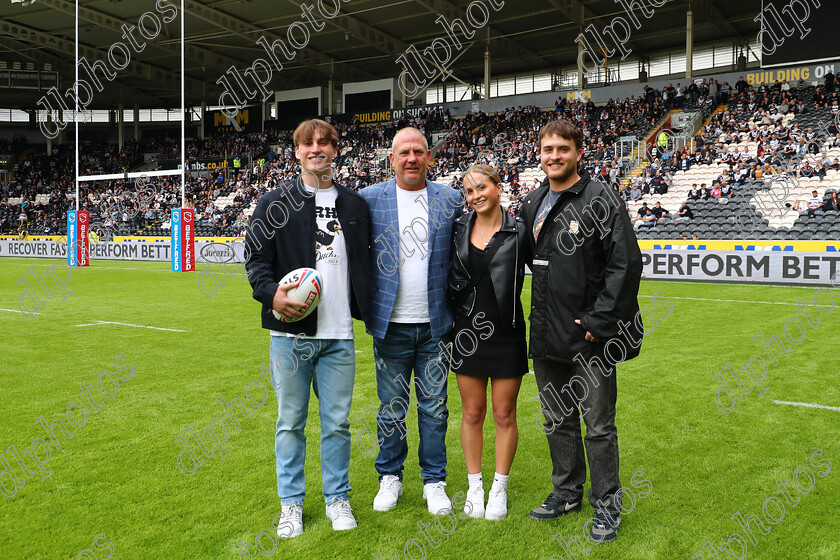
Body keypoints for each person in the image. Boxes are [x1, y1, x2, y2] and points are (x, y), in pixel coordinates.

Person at [245, 119, 373, 538]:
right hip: (290, 336)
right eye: (308, 143)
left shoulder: (354, 205)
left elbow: (368, 266)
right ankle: (291, 506)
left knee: (337, 423)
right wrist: (271, 296)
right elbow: (257, 262)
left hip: (338, 335)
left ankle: (337, 498)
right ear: (296, 151)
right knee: (290, 423)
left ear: (336, 149)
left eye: (325, 142)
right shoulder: (273, 203)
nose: (317, 149)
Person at [519, 120, 643, 542]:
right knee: (557, 420)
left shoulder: (599, 197)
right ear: (539, 153)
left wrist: (599, 323)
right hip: (545, 334)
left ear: (578, 153)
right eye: (547, 149)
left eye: (562, 149)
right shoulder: (532, 202)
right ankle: (567, 491)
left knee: (598, 425)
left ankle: (607, 506)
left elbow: (626, 263)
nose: (554, 156)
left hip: (590, 339)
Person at [358, 127, 464, 515]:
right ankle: (390, 476)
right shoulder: (370, 199)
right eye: (404, 153)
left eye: (419, 151)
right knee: (391, 409)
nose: (412, 159)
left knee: (435, 408)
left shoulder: (450, 200)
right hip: (391, 326)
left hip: (436, 326)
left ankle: (434, 481)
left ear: (429, 157)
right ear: (392, 159)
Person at [448, 164, 529, 521]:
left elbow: (547, 274)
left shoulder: (521, 230)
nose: (475, 195)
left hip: (507, 331)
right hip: (467, 332)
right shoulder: (458, 228)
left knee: (504, 414)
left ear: (498, 187)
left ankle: (499, 489)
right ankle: (475, 486)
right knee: (472, 412)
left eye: (481, 187)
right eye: (469, 191)